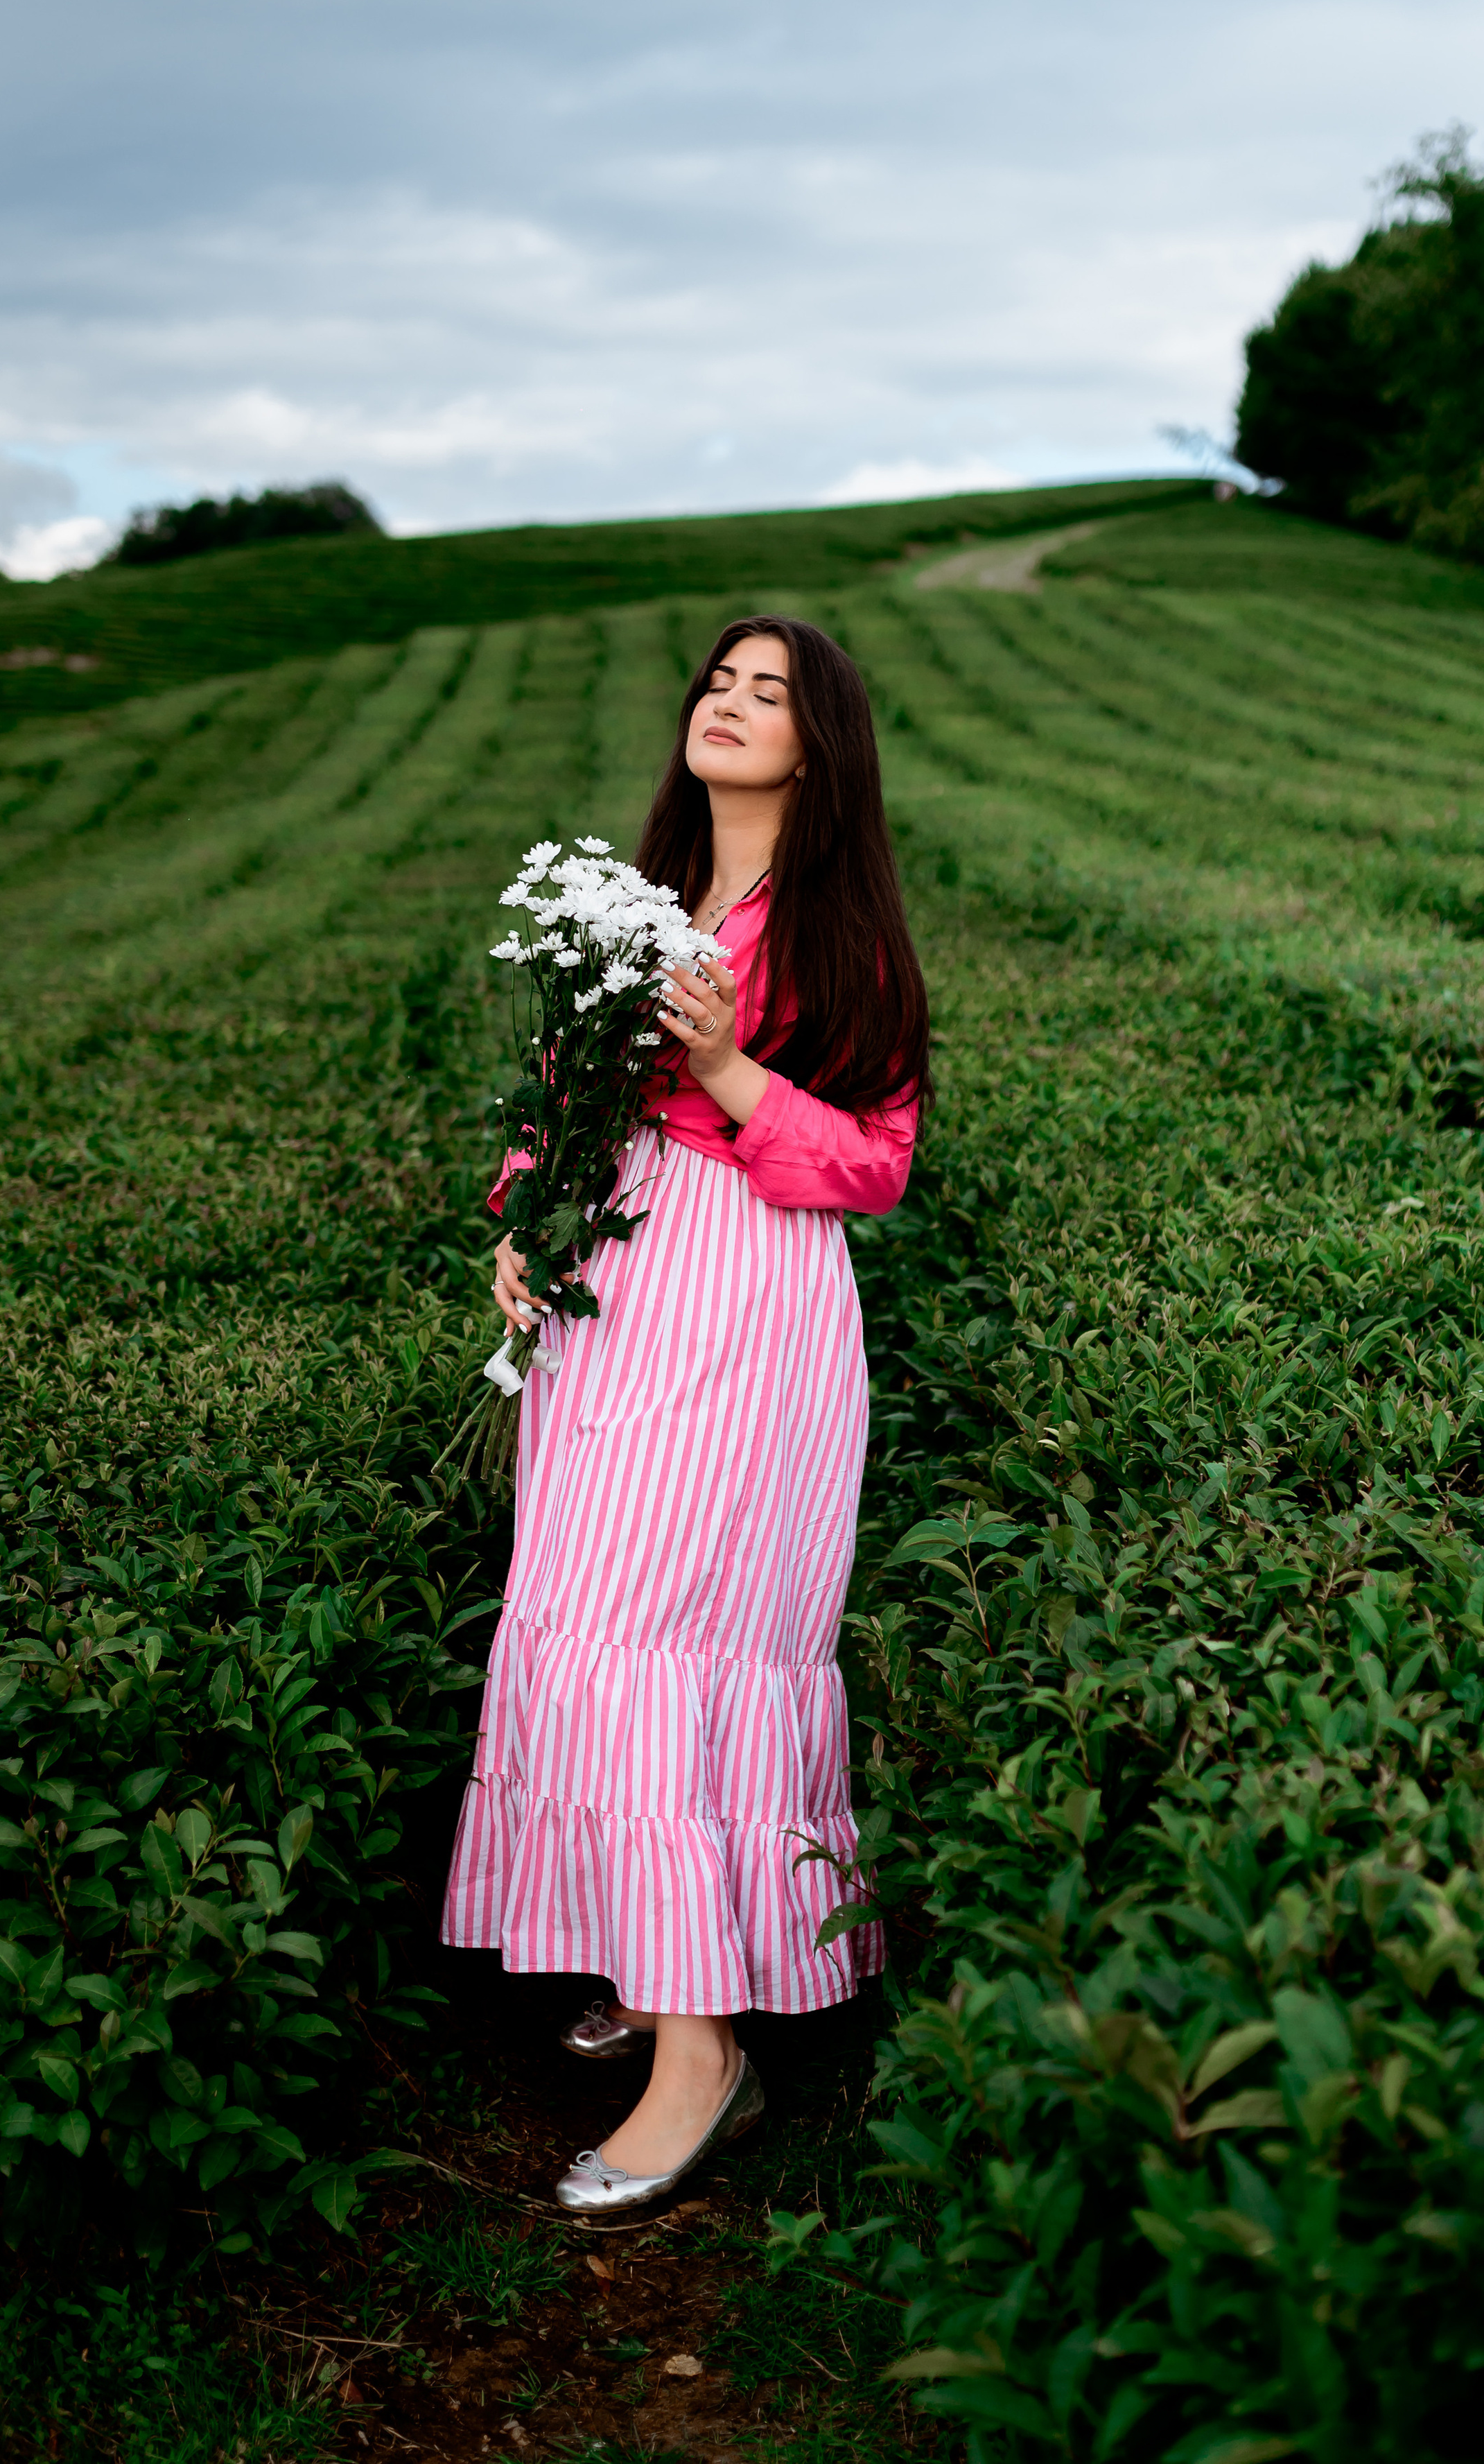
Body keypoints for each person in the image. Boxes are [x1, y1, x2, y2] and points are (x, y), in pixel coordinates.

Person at [441, 615, 930, 2213]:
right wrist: (526, 1218)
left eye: (768, 690)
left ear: (821, 741)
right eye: (717, 679)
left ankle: (703, 2053)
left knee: (673, 1631)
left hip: (741, 1303)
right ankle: (659, 1963)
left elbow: (874, 1164)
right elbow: (567, 1101)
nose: (727, 702)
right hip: (615, 1292)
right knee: (579, 1611)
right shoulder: (645, 900)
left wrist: (725, 1069)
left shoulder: (841, 929)